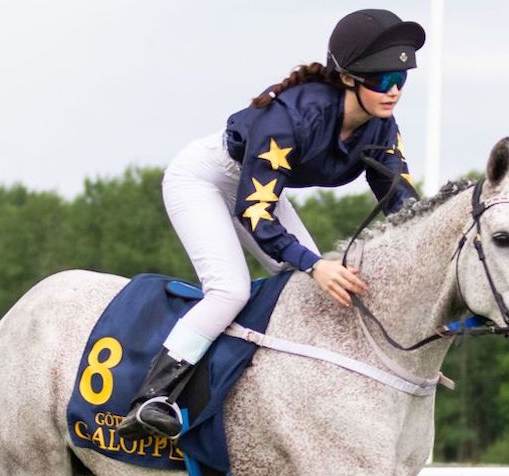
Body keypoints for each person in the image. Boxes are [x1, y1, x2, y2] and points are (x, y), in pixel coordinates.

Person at [118, 8, 425, 441]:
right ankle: (153, 395)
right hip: (205, 180)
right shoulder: (292, 118)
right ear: (348, 78)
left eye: (401, 81)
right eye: (381, 80)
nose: (393, 92)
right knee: (231, 289)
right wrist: (315, 264)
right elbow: (255, 212)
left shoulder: (382, 128)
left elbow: (403, 204)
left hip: (255, 191)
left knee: (310, 286)